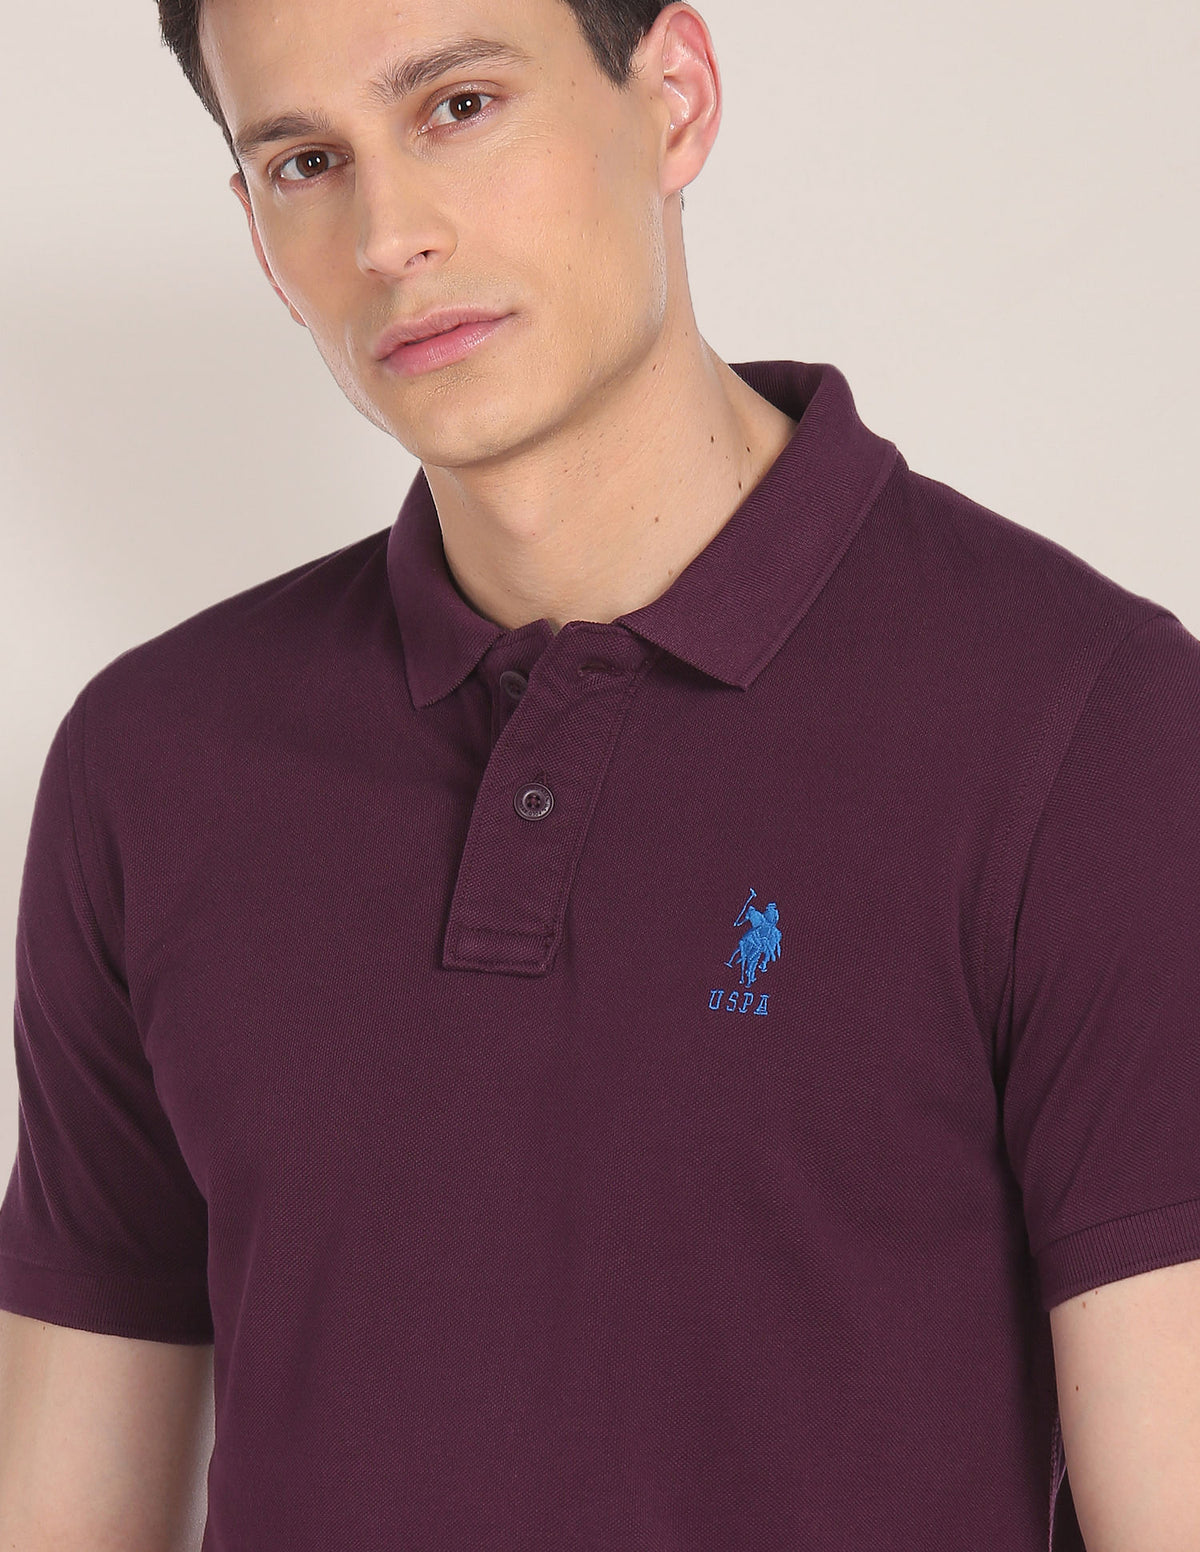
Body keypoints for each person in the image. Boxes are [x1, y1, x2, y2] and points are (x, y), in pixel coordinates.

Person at [0, 0, 1197, 1547]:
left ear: (676, 97)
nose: (389, 236)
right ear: (255, 230)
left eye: (458, 106)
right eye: (305, 161)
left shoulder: (1088, 724)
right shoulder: (152, 765)